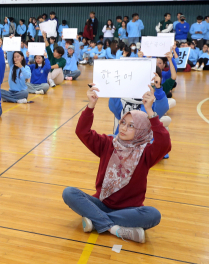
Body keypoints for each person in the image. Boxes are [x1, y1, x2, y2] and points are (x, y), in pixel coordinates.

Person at [62, 83, 169, 243]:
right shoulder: (108, 143)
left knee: (153, 215)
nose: (124, 128)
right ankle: (115, 228)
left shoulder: (146, 152)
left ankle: (97, 221)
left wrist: (150, 112)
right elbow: (82, 132)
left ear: (141, 130)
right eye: (123, 123)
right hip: (101, 203)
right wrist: (91, 105)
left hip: (129, 210)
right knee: (69, 193)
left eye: (131, 126)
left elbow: (164, 143)